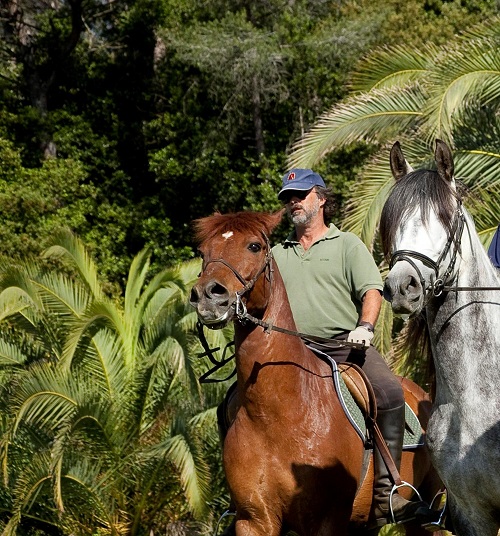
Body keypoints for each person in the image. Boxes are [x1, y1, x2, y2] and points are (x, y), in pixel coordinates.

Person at [272, 168, 431, 528]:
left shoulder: (346, 245)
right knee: (234, 400)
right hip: (294, 352)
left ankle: (389, 492)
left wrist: (364, 326)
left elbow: (371, 292)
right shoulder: (277, 254)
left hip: (346, 346)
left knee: (390, 392)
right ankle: (245, 497)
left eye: (300, 194)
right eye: (288, 197)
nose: (293, 202)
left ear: (322, 199)